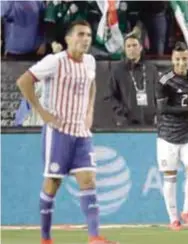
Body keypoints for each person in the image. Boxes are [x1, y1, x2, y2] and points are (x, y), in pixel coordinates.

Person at [16, 20, 118, 244]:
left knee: (88, 181)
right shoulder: (55, 61)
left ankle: (94, 237)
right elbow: (23, 81)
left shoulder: (90, 61)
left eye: (89, 35)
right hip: (58, 132)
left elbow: (92, 84)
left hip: (81, 132)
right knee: (53, 182)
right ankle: (45, 238)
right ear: (68, 39)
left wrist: (90, 110)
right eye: (81, 34)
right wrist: (42, 112)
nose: (86, 39)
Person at [156, 42, 188, 231]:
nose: (181, 63)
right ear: (172, 60)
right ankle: (173, 219)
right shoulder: (164, 80)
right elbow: (162, 109)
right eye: (177, 59)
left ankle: (187, 211)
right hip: (167, 134)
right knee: (170, 177)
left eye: (184, 59)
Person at [105, 34, 158, 126]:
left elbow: (158, 93)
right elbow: (110, 96)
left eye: (134, 45)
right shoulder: (118, 70)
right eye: (128, 46)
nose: (131, 49)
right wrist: (121, 113)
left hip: (150, 123)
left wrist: (158, 114)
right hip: (128, 124)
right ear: (124, 50)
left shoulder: (151, 69)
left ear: (141, 47)